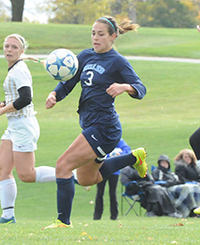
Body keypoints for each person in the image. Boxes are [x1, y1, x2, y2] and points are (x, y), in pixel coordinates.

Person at [42, 15, 147, 229]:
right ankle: (133, 158)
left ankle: (63, 222)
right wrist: (54, 94)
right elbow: (68, 82)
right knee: (87, 179)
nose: (95, 38)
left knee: (62, 166)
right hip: (91, 125)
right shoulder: (85, 56)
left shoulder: (117, 61)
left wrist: (124, 87)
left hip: (104, 128)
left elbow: (141, 88)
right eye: (93, 33)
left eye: (101, 34)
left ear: (112, 37)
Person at [0, 34, 56, 224]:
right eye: (6, 46)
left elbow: (26, 99)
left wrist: (3, 111)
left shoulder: (19, 70)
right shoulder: (14, 68)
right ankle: (7, 216)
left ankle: (69, 175)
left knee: (27, 175)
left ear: (21, 51)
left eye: (14, 47)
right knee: (2, 169)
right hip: (14, 125)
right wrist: (4, 105)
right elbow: (15, 98)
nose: (9, 50)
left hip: (24, 125)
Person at [93, 138, 131, 220]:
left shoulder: (119, 141)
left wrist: (120, 154)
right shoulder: (102, 140)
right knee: (100, 193)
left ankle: (114, 216)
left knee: (112, 193)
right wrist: (109, 155)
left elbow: (127, 150)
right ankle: (97, 216)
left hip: (114, 171)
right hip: (101, 170)